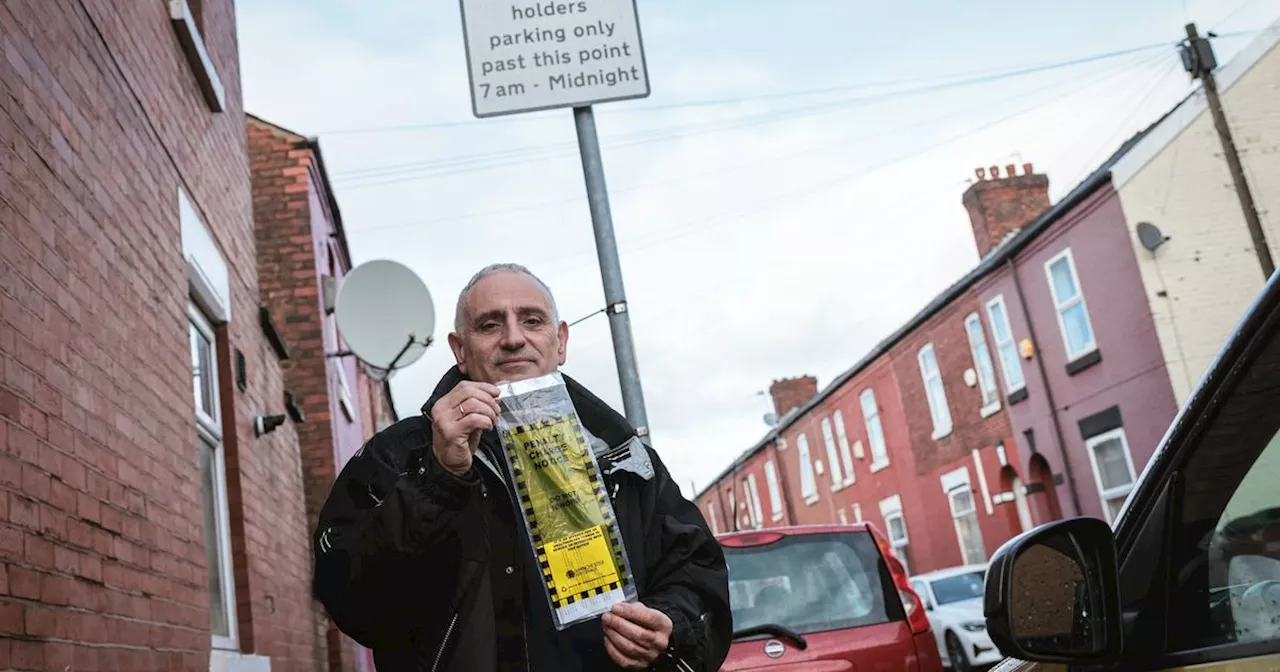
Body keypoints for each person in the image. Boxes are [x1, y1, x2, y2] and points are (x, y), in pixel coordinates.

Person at [312, 263, 732, 671]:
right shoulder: (399, 455)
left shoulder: (622, 457)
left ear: (560, 340)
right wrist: (438, 478)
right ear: (460, 349)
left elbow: (697, 576)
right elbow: (355, 603)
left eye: (532, 320)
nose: (514, 339)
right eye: (490, 325)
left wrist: (669, 628)